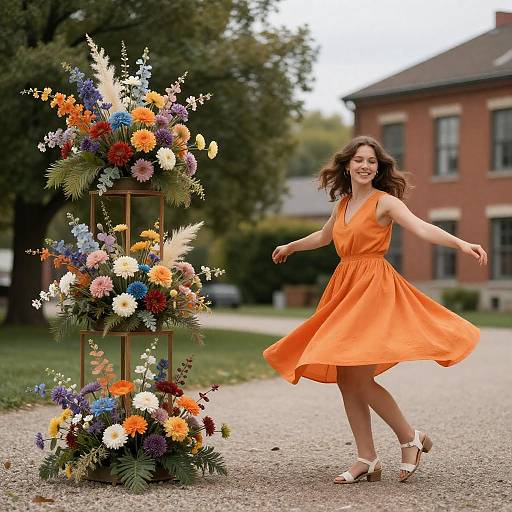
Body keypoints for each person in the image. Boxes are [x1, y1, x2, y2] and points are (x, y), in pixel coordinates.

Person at [263, 135, 487, 484]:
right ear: (347, 166)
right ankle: (367, 458)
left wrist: (460, 242)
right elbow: (324, 237)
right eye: (359, 160)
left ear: (378, 168)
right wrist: (290, 246)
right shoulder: (342, 205)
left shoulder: (385, 203)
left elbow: (421, 228)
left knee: (360, 379)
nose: (366, 166)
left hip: (373, 289)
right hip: (345, 287)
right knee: (345, 378)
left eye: (372, 161)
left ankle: (409, 438)